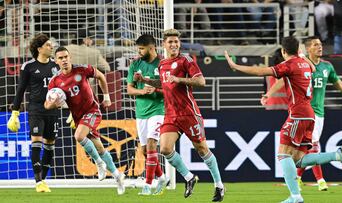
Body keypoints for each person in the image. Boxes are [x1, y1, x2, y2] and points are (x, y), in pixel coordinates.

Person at [224, 36, 342, 203]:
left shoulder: (289, 65)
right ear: (299, 49)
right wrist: (302, 57)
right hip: (309, 114)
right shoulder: (306, 64)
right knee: (298, 160)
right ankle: (337, 155)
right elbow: (311, 69)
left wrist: (235, 65)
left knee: (283, 155)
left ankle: (295, 196)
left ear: (283, 51)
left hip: (298, 115)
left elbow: (260, 71)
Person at [134, 29, 225, 202]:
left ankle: (219, 185)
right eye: (170, 42)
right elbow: (162, 82)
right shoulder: (162, 64)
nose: (174, 44)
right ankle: (189, 177)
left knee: (202, 149)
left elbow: (201, 81)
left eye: (176, 41)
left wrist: (179, 80)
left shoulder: (186, 60)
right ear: (164, 44)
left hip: (189, 114)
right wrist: (145, 80)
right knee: (165, 149)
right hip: (171, 114)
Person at [262, 36, 342, 192]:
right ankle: (312, 179)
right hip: (302, 112)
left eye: (320, 44)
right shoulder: (301, 64)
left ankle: (312, 180)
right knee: (304, 151)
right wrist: (270, 93)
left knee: (307, 149)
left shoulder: (327, 67)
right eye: (315, 45)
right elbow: (282, 79)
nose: (320, 47)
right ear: (307, 49)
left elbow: (339, 84)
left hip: (317, 114)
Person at [44, 46, 125, 195]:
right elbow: (46, 103)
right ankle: (117, 176)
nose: (64, 60)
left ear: (70, 58)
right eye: (60, 58)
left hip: (92, 111)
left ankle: (99, 164)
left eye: (66, 57)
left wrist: (106, 97)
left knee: (79, 136)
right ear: (56, 61)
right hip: (78, 117)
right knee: (100, 148)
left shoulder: (82, 70)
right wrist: (52, 104)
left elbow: (101, 76)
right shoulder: (55, 82)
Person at [7, 33, 58, 193]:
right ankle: (38, 181)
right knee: (36, 142)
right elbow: (20, 90)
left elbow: (64, 89)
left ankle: (43, 180)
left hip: (53, 111)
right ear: (39, 48)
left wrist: (71, 110)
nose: (52, 47)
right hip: (36, 110)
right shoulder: (28, 66)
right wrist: (15, 113)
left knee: (50, 145)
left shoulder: (56, 66)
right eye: (48, 45)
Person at [126, 34, 167, 195]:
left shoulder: (163, 64)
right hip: (141, 112)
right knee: (144, 151)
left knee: (151, 145)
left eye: (142, 48)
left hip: (158, 110)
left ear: (152, 48)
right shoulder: (135, 64)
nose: (139, 51)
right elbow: (129, 89)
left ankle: (148, 185)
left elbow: (170, 90)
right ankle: (162, 177)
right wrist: (142, 91)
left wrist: (156, 90)